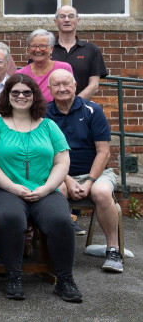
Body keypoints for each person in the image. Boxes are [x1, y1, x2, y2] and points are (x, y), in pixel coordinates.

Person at [0, 74, 81, 302]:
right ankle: (13, 277)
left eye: (26, 92)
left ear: (35, 96)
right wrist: (13, 187)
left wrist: (47, 188)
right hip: (4, 190)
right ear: (7, 95)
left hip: (45, 190)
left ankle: (65, 280)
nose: (21, 96)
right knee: (11, 218)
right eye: (15, 92)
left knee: (62, 221)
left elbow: (62, 162)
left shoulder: (49, 126)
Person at [46, 69, 124, 273]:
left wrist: (89, 181)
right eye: (56, 85)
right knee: (58, 192)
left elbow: (103, 151)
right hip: (58, 172)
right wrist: (68, 180)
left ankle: (113, 250)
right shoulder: (44, 114)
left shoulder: (93, 110)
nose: (62, 88)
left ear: (75, 86)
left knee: (102, 192)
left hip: (95, 173)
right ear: (49, 88)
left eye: (66, 84)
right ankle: (62, 251)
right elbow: (44, 155)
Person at [52, 5, 108, 99]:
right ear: (55, 22)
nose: (66, 20)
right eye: (62, 16)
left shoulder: (91, 49)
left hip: (81, 107)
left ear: (77, 21)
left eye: (71, 16)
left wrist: (75, 103)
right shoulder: (46, 49)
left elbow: (94, 85)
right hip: (50, 109)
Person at [15, 29, 73, 102]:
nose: (37, 50)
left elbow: (70, 96)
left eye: (42, 46)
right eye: (33, 46)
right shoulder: (20, 74)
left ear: (51, 49)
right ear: (28, 49)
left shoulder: (64, 68)